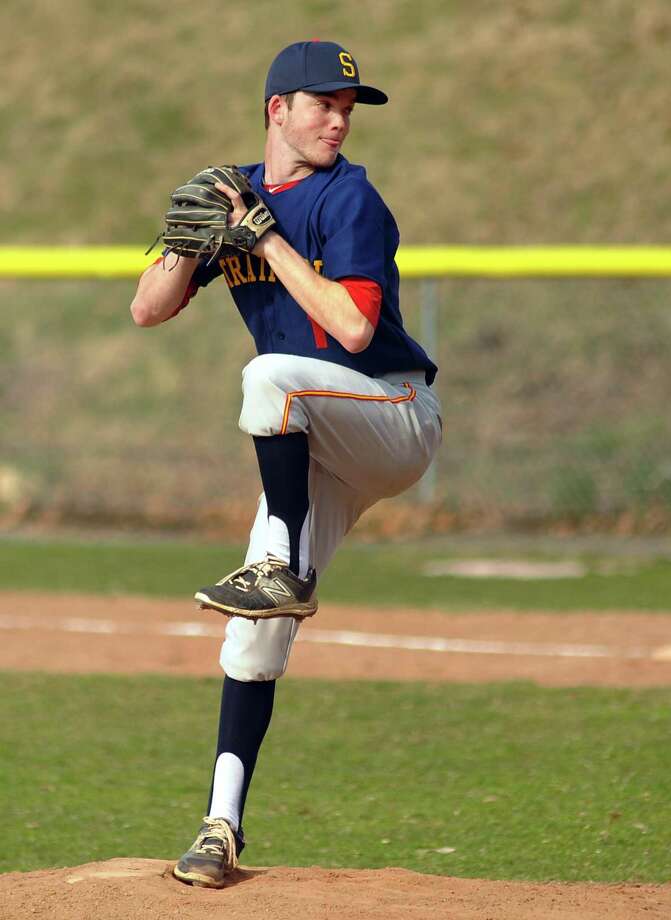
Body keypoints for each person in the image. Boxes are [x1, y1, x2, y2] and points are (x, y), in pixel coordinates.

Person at [130, 39, 441, 888]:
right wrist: (187, 245)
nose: (339, 118)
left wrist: (265, 242)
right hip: (315, 442)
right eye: (323, 104)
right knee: (250, 640)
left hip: (392, 414)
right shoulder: (230, 192)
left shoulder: (352, 198)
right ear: (277, 110)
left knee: (268, 376)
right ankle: (219, 829)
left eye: (348, 107)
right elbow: (147, 310)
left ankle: (280, 568)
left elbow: (350, 332)